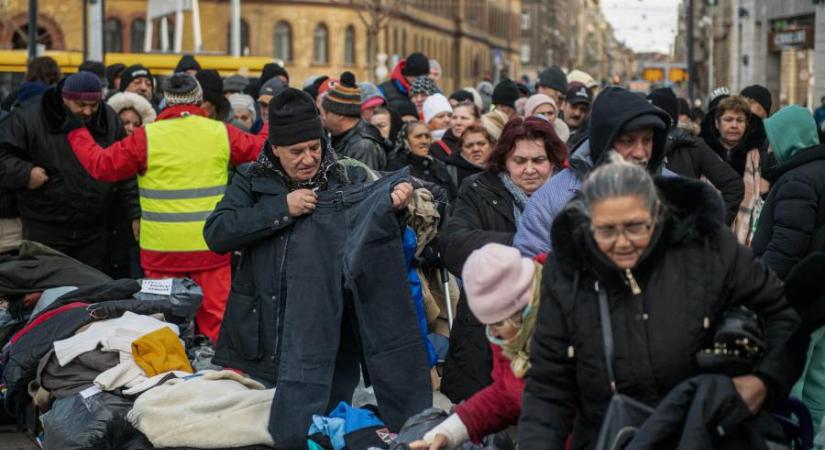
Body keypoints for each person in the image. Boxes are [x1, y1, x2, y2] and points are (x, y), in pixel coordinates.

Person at [518, 158, 799, 450]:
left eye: (636, 227)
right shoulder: (567, 273)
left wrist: (764, 381)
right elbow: (548, 387)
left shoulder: (708, 249)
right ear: (588, 225)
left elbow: (780, 314)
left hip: (709, 434)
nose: (622, 242)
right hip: (617, 437)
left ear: (657, 214)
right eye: (607, 230)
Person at [204, 87, 429, 443]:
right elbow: (217, 234)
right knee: (269, 432)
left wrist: (395, 211)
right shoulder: (251, 179)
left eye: (315, 147)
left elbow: (369, 244)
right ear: (274, 148)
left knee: (325, 430)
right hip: (265, 327)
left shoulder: (346, 177)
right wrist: (281, 209)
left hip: (330, 335)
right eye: (297, 151)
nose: (309, 158)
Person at [62, 73, 268, 342]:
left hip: (162, 253)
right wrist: (268, 119)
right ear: (199, 100)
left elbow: (101, 165)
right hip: (210, 248)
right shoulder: (220, 133)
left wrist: (76, 131)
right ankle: (226, 377)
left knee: (161, 328)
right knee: (219, 327)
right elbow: (262, 149)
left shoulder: (146, 137)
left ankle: (166, 378)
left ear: (165, 102)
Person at [439, 117, 567, 403]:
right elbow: (453, 244)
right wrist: (523, 249)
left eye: (539, 160)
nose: (530, 169)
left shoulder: (570, 195)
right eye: (519, 160)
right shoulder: (478, 190)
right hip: (487, 333)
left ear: (553, 161)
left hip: (553, 329)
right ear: (504, 160)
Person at [0, 72, 139, 273]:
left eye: (93, 105)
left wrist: (134, 211)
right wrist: (25, 173)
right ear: (65, 99)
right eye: (80, 105)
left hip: (94, 232)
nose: (88, 111)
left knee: (89, 296)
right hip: (45, 229)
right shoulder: (29, 117)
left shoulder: (109, 119)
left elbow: (124, 169)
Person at [514, 86, 672, 258]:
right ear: (604, 143)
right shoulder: (550, 202)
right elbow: (530, 270)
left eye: (647, 140)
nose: (640, 153)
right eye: (628, 141)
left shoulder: (676, 192)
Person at [410, 243, 541, 450]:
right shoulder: (510, 336)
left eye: (497, 323)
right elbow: (505, 394)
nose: (493, 333)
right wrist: (447, 432)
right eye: (488, 325)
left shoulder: (575, 320)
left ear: (521, 309)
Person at [647, 87, 744, 225]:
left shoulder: (693, 146)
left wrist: (711, 227)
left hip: (682, 238)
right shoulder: (637, 147)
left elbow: (734, 185)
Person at [752, 105, 824, 279]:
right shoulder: (816, 170)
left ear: (787, 139)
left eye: (773, 141)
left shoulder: (797, 181)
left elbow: (785, 249)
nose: (769, 149)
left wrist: (755, 286)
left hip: (795, 289)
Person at [700, 94, 768, 245]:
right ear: (717, 123)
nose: (734, 126)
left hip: (747, 240)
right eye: (728, 119)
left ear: (747, 124)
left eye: (740, 120)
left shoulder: (759, 155)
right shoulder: (701, 152)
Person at [323, 72, 387, 170]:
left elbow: (364, 183)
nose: (323, 117)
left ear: (340, 114)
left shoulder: (362, 146)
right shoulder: (335, 135)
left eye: (326, 112)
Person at [388, 121, 456, 199]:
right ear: (405, 140)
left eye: (427, 136)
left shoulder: (438, 165)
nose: (424, 141)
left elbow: (454, 198)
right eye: (418, 136)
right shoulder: (395, 167)